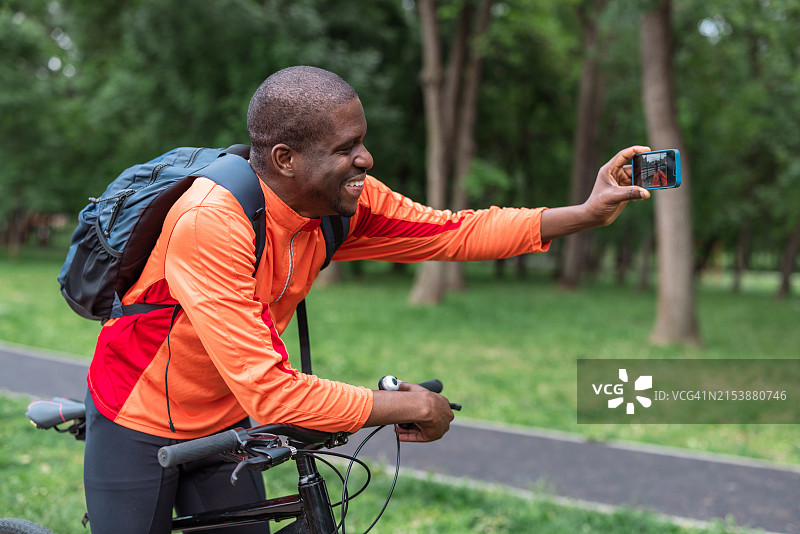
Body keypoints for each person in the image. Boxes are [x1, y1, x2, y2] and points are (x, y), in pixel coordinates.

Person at [82, 65, 651, 533]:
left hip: (224, 421)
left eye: (362, 141)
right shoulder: (214, 222)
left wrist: (584, 213)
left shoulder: (339, 202)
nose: (366, 159)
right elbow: (273, 393)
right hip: (137, 415)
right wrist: (407, 406)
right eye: (346, 147)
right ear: (286, 159)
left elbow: (451, 231)